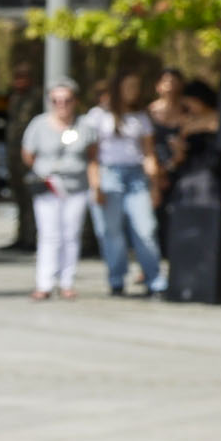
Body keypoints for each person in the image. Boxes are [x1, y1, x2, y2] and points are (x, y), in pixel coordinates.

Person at [83, 72, 162, 296]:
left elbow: (149, 154)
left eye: (136, 86)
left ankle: (154, 279)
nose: (133, 91)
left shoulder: (141, 117)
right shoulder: (99, 116)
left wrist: (154, 185)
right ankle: (116, 279)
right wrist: (96, 185)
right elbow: (92, 155)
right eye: (129, 86)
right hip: (109, 174)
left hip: (136, 176)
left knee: (145, 229)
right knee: (112, 232)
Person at [19, 81, 89, 300]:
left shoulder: (84, 125)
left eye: (67, 100)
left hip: (76, 187)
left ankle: (67, 282)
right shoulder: (39, 124)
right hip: (48, 187)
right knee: (49, 235)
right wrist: (44, 172)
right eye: (56, 101)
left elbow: (93, 155)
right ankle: (45, 283)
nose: (62, 105)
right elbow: (28, 154)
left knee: (71, 234)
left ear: (75, 101)